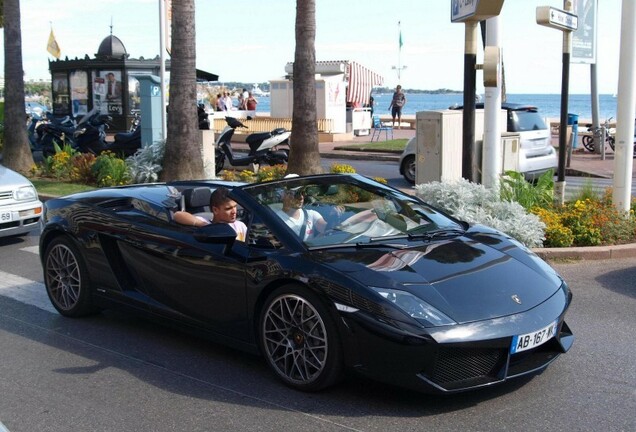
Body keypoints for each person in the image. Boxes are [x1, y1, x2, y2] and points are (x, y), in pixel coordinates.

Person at [173, 187, 247, 241]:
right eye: (228, 208)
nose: (234, 211)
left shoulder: (240, 226)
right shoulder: (205, 222)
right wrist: (206, 225)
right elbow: (177, 215)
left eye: (235, 206)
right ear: (215, 210)